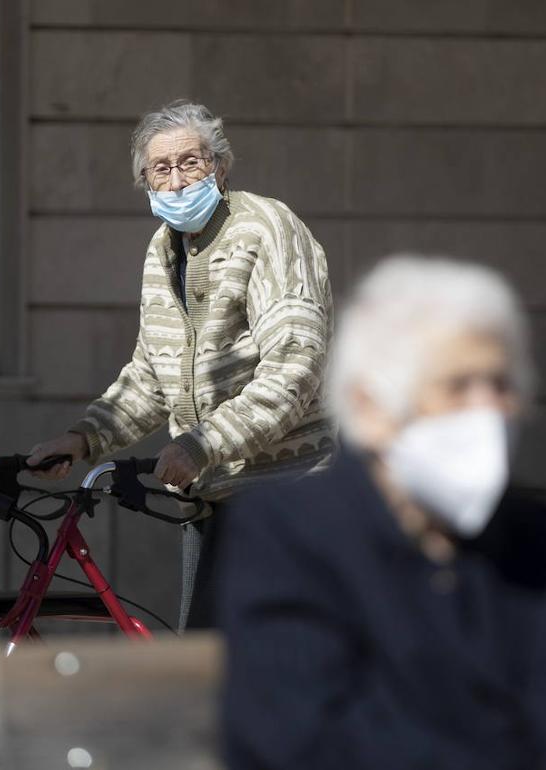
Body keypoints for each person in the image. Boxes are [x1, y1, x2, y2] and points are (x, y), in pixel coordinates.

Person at [219, 256, 546, 769]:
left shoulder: (537, 534)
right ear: (370, 407)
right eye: (458, 386)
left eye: (502, 385)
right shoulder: (290, 531)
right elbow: (305, 737)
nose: (489, 409)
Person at [27, 100, 334, 629]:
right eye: (160, 169)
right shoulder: (164, 248)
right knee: (214, 669)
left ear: (220, 166)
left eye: (190, 163)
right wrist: (83, 439)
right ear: (144, 181)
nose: (175, 181)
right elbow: (151, 373)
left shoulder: (266, 227)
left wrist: (201, 444)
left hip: (286, 494)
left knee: (245, 672)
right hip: (212, 493)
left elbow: (296, 362)